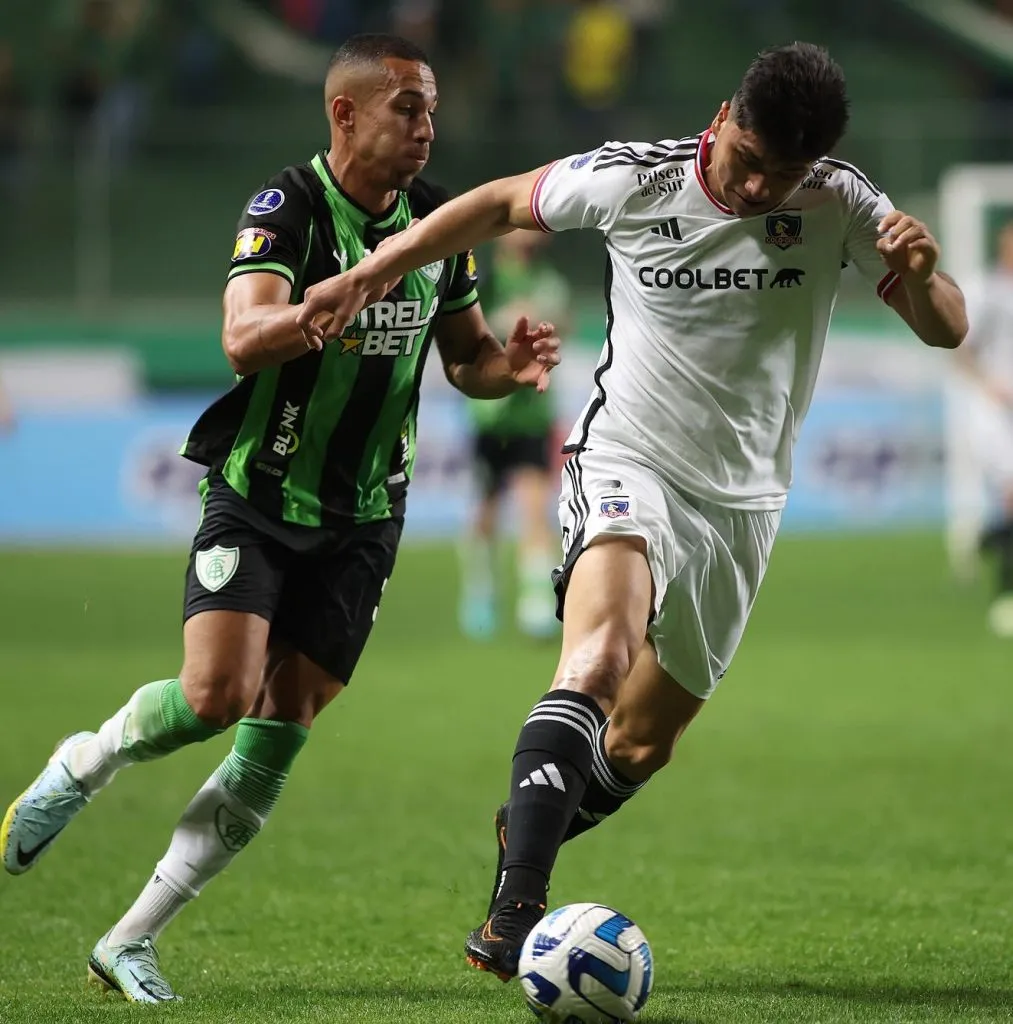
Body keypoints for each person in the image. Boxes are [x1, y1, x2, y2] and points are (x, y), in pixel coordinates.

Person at [295, 42, 968, 980]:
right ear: (724, 115)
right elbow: (495, 203)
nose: (759, 191)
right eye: (749, 162)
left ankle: (531, 814)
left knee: (643, 742)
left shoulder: (840, 200)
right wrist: (370, 272)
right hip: (627, 459)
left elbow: (945, 328)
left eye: (783, 177)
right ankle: (515, 909)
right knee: (599, 654)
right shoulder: (632, 180)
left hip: (745, 501)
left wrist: (926, 272)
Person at [0, 33, 559, 1002]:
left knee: (280, 722)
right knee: (216, 693)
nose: (428, 127)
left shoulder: (438, 223)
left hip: (366, 519)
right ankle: (82, 763)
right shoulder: (288, 208)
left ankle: (131, 939)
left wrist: (504, 365)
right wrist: (318, 307)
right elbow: (238, 337)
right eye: (407, 109)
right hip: (261, 497)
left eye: (430, 108)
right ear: (344, 114)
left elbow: (464, 359)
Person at [461, 230, 572, 639]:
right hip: (488, 415)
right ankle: (480, 596)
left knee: (533, 504)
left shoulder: (548, 280)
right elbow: (466, 328)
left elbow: (563, 323)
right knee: (485, 510)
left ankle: (536, 603)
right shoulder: (484, 279)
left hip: (532, 415)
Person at [955, 219, 1013, 635]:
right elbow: (961, 347)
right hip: (996, 412)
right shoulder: (985, 290)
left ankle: (989, 536)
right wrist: (988, 385)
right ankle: (1006, 596)